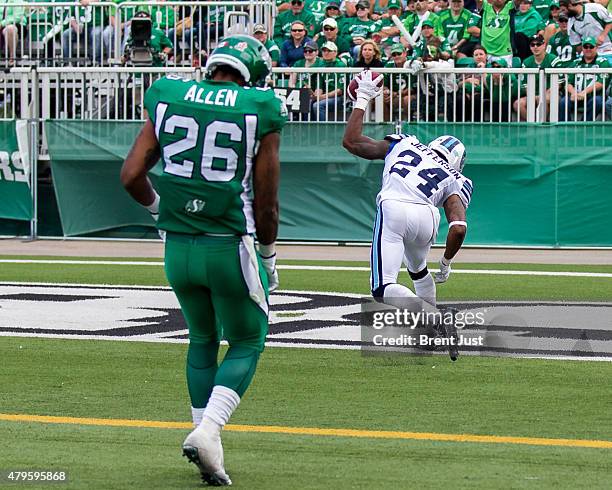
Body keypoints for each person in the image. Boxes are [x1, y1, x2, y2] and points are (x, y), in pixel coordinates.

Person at [120, 34, 287, 486]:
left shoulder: (168, 93)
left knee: (201, 337)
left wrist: (159, 208)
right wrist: (269, 255)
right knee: (249, 340)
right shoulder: (261, 106)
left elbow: (131, 175)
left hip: (177, 247)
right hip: (228, 243)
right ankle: (209, 430)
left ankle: (203, 437)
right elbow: (267, 202)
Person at [342, 70, 472, 361]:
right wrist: (448, 262)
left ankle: (434, 319)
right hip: (428, 217)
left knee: (383, 287)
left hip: (395, 206)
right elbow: (459, 227)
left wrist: (363, 97)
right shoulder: (455, 177)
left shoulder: (404, 143)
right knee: (419, 270)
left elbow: (352, 142)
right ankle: (426, 337)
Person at [558, 36, 610, 120]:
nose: (588, 49)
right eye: (585, 47)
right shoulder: (575, 63)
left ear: (596, 47)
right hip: (576, 95)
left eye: (591, 47)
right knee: (563, 102)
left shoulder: (602, 62)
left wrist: (584, 92)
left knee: (597, 101)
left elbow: (601, 83)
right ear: (582, 48)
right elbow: (568, 82)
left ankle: (584, 126)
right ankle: (565, 128)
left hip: (593, 95)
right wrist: (573, 92)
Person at [513, 33, 557, 119]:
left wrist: (543, 95)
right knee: (518, 104)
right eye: (532, 45)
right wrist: (532, 95)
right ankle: (532, 124)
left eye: (538, 44)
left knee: (544, 99)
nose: (535, 47)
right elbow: (525, 84)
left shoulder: (553, 59)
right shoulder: (526, 62)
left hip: (551, 93)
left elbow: (559, 83)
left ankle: (542, 124)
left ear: (544, 45)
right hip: (533, 94)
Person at [310, 41, 346, 120]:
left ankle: (322, 130)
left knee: (318, 105)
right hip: (324, 96)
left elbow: (340, 90)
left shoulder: (340, 65)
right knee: (307, 102)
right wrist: (317, 95)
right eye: (324, 51)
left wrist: (322, 97)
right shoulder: (321, 65)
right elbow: (319, 86)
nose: (326, 53)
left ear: (335, 52)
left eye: (329, 51)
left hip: (338, 98)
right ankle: (307, 130)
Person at [480, 0, 515, 66]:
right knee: (484, 76)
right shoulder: (485, 6)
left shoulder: (510, 7)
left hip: (505, 52)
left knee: (505, 76)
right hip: (486, 52)